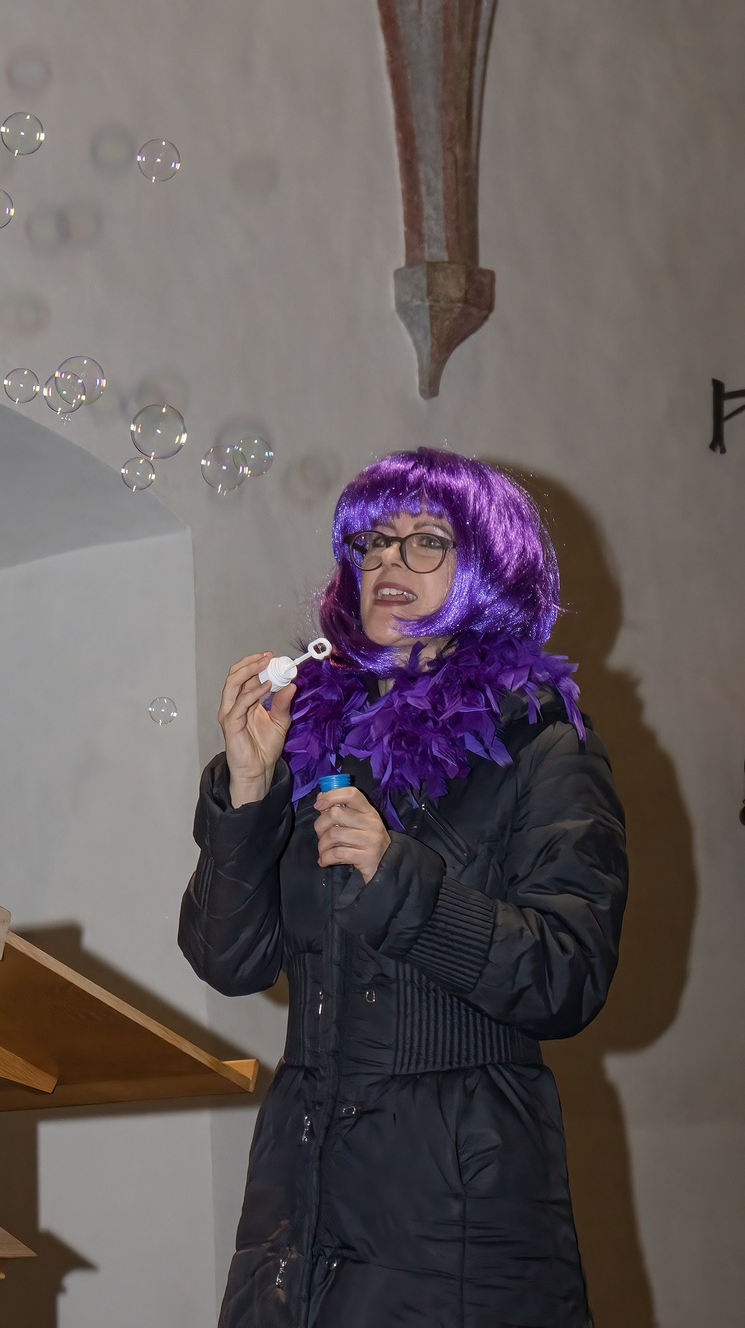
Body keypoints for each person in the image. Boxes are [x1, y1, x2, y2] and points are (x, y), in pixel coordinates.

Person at [179, 448, 627, 1328]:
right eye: (373, 542)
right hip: (300, 1188)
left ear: (490, 566)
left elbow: (569, 976)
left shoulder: (544, 744)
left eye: (427, 541)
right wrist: (247, 793)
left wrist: (400, 879)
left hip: (459, 1200)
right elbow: (229, 962)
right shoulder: (304, 737)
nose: (390, 561)